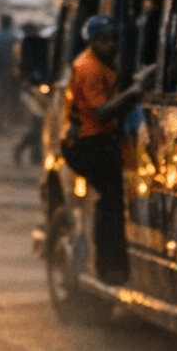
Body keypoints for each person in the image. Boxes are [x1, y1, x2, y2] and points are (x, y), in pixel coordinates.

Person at [62, 15, 155, 283]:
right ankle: (109, 266)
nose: (111, 44)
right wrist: (134, 92)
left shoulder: (100, 64)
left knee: (111, 200)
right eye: (104, 39)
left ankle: (110, 265)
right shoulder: (89, 68)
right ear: (92, 41)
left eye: (114, 38)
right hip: (87, 144)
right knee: (111, 201)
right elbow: (102, 112)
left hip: (94, 141)